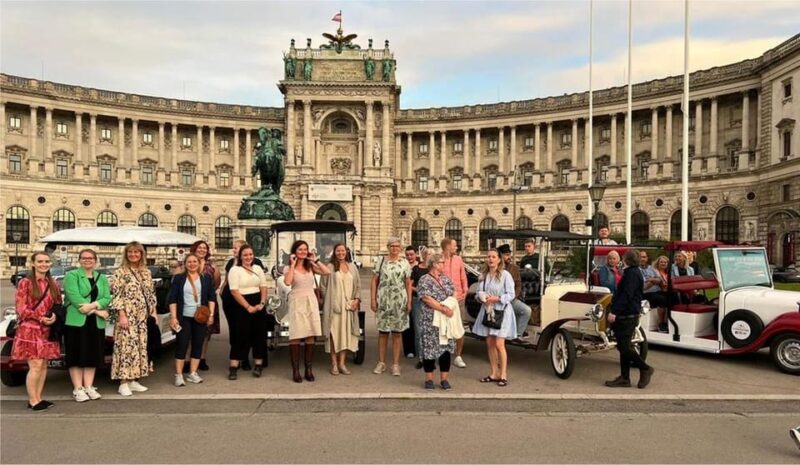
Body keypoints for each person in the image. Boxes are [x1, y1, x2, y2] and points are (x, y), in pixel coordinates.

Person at [13, 252, 61, 410]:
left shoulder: (53, 283)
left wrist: (54, 316)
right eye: (40, 261)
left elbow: (58, 304)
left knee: (44, 365)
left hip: (47, 329)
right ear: (33, 263)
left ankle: (38, 398)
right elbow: (21, 308)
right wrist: (39, 317)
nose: (44, 264)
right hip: (30, 329)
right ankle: (33, 400)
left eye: (47, 261)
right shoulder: (25, 282)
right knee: (35, 365)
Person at [63, 249, 111, 402]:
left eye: (90, 258)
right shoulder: (72, 276)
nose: (87, 260)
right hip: (76, 321)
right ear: (79, 260)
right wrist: (97, 311)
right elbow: (75, 297)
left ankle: (89, 386)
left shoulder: (101, 278)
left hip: (95, 323)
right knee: (76, 354)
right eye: (84, 258)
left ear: (96, 260)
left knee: (92, 354)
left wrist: (94, 306)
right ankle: (78, 388)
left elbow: (107, 297)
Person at [110, 242, 157, 397]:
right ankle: (123, 381)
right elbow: (116, 295)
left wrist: (153, 312)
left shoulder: (146, 272)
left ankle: (134, 379)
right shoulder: (120, 272)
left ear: (141, 254)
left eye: (137, 252)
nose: (133, 255)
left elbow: (150, 294)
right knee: (126, 347)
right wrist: (122, 314)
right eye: (130, 252)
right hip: (128, 314)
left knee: (140, 347)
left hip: (142, 315)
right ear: (126, 254)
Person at [605, 249, 654, 389]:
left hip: (627, 314)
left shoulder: (631, 274)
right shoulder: (633, 272)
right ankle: (624, 378)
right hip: (629, 313)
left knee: (623, 346)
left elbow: (626, 295)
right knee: (624, 345)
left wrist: (614, 311)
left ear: (627, 260)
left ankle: (645, 368)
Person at [284, 240, 331, 383]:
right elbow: (288, 282)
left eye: (305, 249)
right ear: (294, 251)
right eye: (300, 249)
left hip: (310, 300)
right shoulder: (289, 268)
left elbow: (327, 272)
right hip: (297, 300)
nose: (303, 252)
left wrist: (315, 259)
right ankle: (296, 370)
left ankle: (308, 369)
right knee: (296, 335)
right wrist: (292, 264)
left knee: (310, 334)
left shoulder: (310, 266)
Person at [168, 253, 216, 387]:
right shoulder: (178, 278)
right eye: (189, 262)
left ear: (199, 263)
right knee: (182, 344)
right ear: (185, 264)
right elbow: (172, 299)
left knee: (198, 344)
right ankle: (178, 374)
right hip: (184, 317)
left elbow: (212, 297)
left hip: (200, 317)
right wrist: (173, 317)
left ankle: (193, 373)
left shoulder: (206, 278)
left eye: (195, 261)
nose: (192, 264)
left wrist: (211, 315)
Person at [472, 249, 516, 387]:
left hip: (501, 312)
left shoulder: (505, 275)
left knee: (499, 344)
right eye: (489, 257)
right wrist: (482, 296)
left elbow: (511, 294)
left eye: (493, 257)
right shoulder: (484, 275)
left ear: (498, 259)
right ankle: (494, 373)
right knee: (490, 343)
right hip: (487, 311)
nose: (490, 259)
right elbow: (479, 291)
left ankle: (503, 374)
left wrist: (497, 298)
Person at [220, 239, 264, 372]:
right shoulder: (233, 268)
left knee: (258, 334)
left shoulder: (257, 266)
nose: (248, 257)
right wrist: (248, 306)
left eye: (250, 254)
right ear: (240, 256)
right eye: (245, 254)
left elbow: (263, 286)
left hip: (257, 302)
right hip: (239, 303)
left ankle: (257, 363)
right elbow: (233, 289)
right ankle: (235, 363)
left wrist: (261, 303)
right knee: (239, 333)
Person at [371, 237, 412, 376]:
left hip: (399, 301)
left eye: (397, 246)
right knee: (383, 333)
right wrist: (372, 299)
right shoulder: (381, 261)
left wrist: (409, 301)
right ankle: (381, 362)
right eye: (392, 246)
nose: (394, 248)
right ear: (388, 247)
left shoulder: (405, 263)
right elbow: (374, 281)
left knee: (397, 333)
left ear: (400, 248)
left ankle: (395, 364)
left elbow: (408, 283)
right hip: (383, 300)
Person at [417, 253, 459, 390]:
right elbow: (426, 298)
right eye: (441, 262)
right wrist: (442, 308)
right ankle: (429, 378)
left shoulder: (446, 279)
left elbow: (454, 292)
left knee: (445, 349)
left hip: (446, 320)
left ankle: (444, 379)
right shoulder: (424, 280)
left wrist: (450, 306)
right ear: (434, 264)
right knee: (430, 348)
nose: (443, 265)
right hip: (431, 320)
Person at [320, 243, 361, 376]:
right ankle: (333, 364)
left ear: (346, 252)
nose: (340, 253)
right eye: (338, 251)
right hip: (334, 308)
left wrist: (356, 300)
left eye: (343, 251)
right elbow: (323, 286)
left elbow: (358, 286)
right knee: (334, 335)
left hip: (348, 308)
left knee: (345, 335)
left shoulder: (352, 267)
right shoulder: (329, 267)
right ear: (334, 252)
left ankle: (342, 363)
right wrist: (330, 300)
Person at [190, 240, 220, 372]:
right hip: (191, 301)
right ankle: (188, 359)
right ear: (194, 249)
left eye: (204, 248)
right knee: (191, 333)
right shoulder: (189, 263)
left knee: (206, 334)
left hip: (208, 302)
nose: (202, 250)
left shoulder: (211, 266)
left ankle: (202, 358)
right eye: (199, 248)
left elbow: (217, 282)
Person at [441, 237, 468, 369]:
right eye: (454, 246)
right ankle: (442, 353)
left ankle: (458, 355)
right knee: (442, 327)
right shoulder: (439, 260)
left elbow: (463, 276)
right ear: (447, 247)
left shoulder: (458, 259)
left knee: (459, 327)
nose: (456, 248)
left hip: (458, 299)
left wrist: (465, 291)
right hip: (444, 300)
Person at [497, 244, 531, 339]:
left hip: (511, 299)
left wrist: (513, 297)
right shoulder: (496, 268)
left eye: (509, 254)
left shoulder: (514, 268)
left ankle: (517, 335)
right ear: (501, 256)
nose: (509, 257)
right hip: (498, 300)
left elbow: (518, 284)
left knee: (526, 310)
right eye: (506, 255)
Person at [409, 248, 430, 369]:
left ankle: (431, 356)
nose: (428, 256)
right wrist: (420, 291)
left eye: (431, 254)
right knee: (419, 330)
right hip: (418, 301)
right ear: (423, 255)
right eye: (427, 254)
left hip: (432, 303)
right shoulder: (416, 269)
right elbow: (409, 285)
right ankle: (422, 358)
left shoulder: (434, 269)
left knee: (431, 330)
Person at [402, 246, 419, 359]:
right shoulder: (403, 266)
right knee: (407, 325)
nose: (409, 257)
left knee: (418, 325)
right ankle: (408, 350)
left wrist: (411, 288)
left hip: (417, 299)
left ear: (416, 254)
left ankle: (418, 348)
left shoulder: (421, 266)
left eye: (411, 254)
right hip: (405, 298)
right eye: (407, 255)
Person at [647, 255, 671, 333]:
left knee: (676, 297)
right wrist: (658, 281)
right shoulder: (653, 270)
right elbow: (649, 279)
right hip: (652, 292)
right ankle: (661, 323)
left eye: (665, 262)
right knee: (662, 299)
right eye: (661, 262)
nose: (663, 263)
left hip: (664, 291)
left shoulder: (668, 273)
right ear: (658, 263)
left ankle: (670, 322)